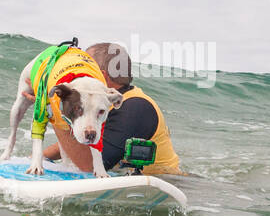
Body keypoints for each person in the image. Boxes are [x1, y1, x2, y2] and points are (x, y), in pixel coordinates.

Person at [43, 42, 182, 175]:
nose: (80, 72)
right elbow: (83, 139)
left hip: (165, 184)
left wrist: (52, 108)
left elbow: (89, 167)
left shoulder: (134, 108)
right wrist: (40, 156)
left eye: (85, 66)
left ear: (101, 75)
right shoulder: (107, 102)